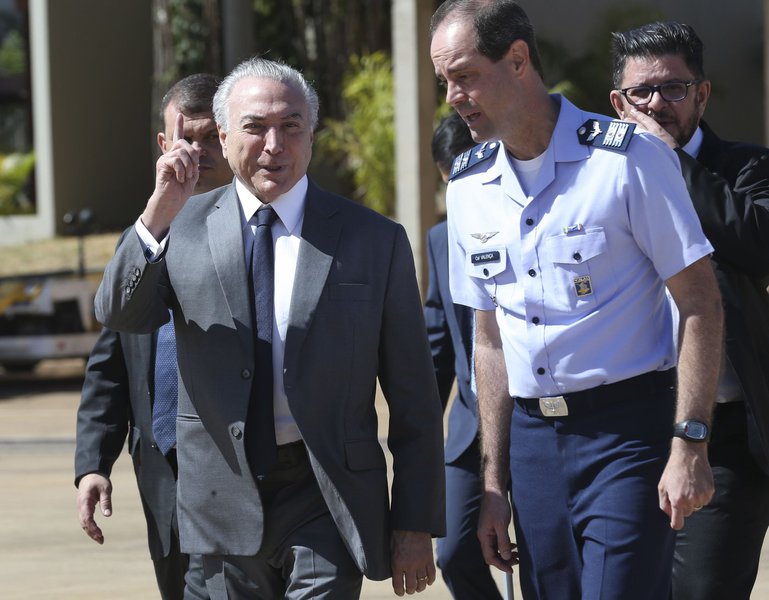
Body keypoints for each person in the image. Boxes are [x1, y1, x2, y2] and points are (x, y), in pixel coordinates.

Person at [93, 57, 445, 599]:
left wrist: (415, 522)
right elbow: (119, 312)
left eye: (292, 127)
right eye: (255, 128)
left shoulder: (373, 240)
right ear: (226, 135)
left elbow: (414, 395)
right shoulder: (178, 228)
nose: (274, 145)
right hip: (219, 500)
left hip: (326, 493)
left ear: (313, 137)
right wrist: (158, 212)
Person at [429, 1, 724, 599]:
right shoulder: (467, 186)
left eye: (464, 76)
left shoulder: (628, 159)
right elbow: (489, 340)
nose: (454, 96)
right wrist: (493, 482)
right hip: (534, 447)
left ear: (517, 60)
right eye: (445, 82)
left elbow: (700, 302)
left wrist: (690, 440)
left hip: (627, 436)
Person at [609, 21, 769, 600]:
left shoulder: (747, 168)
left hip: (723, 438)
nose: (656, 105)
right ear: (617, 103)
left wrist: (669, 158)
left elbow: (756, 241)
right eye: (640, 93)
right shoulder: (601, 179)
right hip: (625, 432)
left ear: (702, 93)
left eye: (673, 89)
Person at [75, 73, 231, 600]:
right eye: (187, 140)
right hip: (162, 470)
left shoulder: (259, 232)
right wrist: (93, 464)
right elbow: (109, 364)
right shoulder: (139, 241)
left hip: (240, 468)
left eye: (213, 137)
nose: (199, 152)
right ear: (163, 146)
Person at [424, 112, 503, 599]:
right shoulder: (439, 239)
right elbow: (437, 337)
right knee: (453, 551)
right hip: (471, 427)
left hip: (539, 419)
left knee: (545, 559)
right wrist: (420, 427)